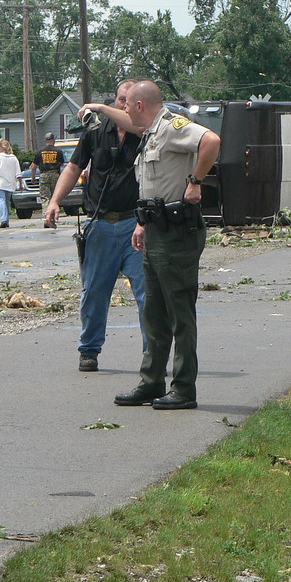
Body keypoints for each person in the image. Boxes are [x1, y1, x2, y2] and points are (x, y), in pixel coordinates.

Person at [82, 80, 221, 411]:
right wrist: (142, 224)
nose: (124, 109)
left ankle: (184, 388)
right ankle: (151, 382)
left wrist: (195, 182)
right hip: (155, 228)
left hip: (177, 232)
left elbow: (211, 140)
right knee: (154, 313)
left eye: (127, 103)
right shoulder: (149, 132)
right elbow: (154, 182)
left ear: (140, 105)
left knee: (179, 315)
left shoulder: (173, 126)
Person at [44, 80, 146, 372]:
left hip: (136, 225)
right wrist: (54, 202)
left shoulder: (146, 132)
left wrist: (99, 107)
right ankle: (89, 350)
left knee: (146, 293)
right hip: (100, 224)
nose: (124, 104)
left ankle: (152, 354)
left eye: (130, 100)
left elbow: (135, 125)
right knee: (94, 292)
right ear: (115, 100)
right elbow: (74, 168)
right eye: (120, 99)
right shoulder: (95, 135)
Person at [30, 132, 65, 226]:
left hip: (44, 175)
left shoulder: (40, 151)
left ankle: (47, 218)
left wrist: (33, 178)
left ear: (45, 140)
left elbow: (33, 167)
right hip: (55, 175)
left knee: (45, 198)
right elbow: (61, 164)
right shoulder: (58, 151)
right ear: (54, 140)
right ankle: (52, 219)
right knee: (54, 198)